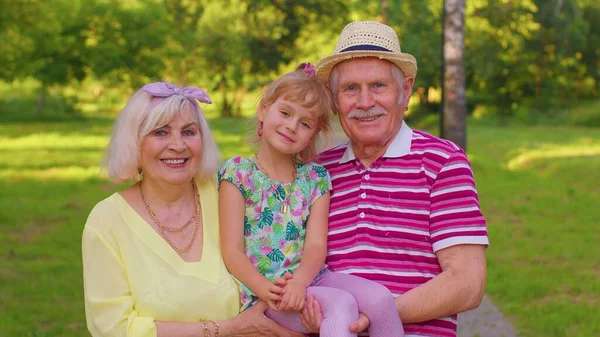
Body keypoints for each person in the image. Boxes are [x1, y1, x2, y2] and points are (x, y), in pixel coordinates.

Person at [305, 21, 489, 337]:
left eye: (378, 86)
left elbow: (468, 282)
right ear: (334, 100)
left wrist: (371, 316)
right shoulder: (319, 172)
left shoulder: (442, 162)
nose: (364, 103)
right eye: (350, 89)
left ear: (405, 89)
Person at [82, 82, 304, 337]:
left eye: (189, 132)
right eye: (161, 133)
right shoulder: (107, 220)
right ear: (134, 142)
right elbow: (114, 329)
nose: (178, 145)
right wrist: (228, 329)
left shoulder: (229, 191)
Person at [218, 64, 405, 337]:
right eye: (284, 113)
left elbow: (317, 244)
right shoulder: (238, 173)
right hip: (266, 292)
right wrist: (266, 290)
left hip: (312, 277)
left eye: (305, 123)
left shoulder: (315, 178)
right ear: (263, 110)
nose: (291, 126)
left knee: (380, 298)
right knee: (341, 305)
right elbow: (232, 251)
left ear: (312, 136)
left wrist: (301, 282)